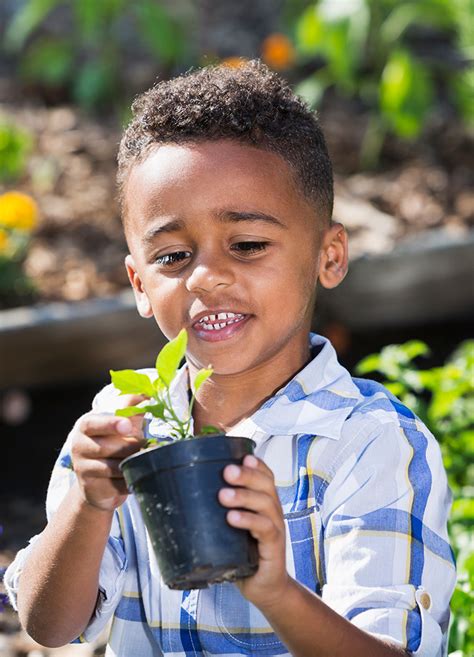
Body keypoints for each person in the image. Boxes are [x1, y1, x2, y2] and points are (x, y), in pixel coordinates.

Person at [5, 60, 455, 657]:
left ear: (330, 256)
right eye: (172, 257)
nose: (207, 278)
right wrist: (88, 506)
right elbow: (47, 625)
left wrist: (275, 590)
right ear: (138, 284)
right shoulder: (123, 421)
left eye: (247, 245)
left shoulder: (369, 442)